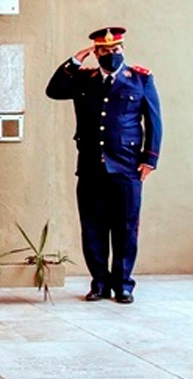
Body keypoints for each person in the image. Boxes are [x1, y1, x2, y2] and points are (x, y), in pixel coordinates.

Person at [46, 27, 162, 304]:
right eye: (104, 51)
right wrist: (74, 61)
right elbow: (54, 90)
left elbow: (154, 121)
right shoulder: (84, 80)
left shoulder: (140, 80)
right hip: (90, 166)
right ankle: (99, 282)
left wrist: (150, 160)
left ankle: (123, 284)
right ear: (95, 53)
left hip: (127, 166)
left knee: (125, 227)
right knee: (93, 227)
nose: (111, 55)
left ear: (123, 49)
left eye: (115, 50)